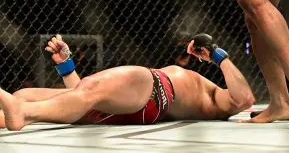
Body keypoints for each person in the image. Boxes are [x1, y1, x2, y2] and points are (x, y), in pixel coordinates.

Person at [0, 33, 255, 131]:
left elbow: (244, 98)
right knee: (24, 95)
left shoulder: (215, 96)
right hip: (139, 106)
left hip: (156, 88)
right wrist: (66, 67)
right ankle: (19, 109)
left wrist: (218, 56)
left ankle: (23, 113)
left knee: (90, 89)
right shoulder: (202, 91)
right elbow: (80, 98)